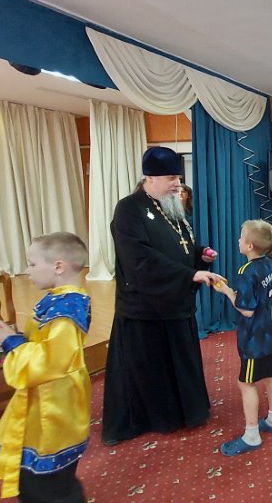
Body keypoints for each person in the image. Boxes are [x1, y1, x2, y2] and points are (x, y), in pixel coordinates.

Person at [102, 147, 224, 445]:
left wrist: (201, 255)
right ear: (150, 178)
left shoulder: (171, 207)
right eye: (171, 178)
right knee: (151, 371)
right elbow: (140, 258)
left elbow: (182, 245)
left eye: (178, 178)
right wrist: (188, 275)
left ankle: (186, 411)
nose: (177, 184)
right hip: (146, 310)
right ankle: (156, 418)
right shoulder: (129, 210)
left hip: (175, 302)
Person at [0, 233, 91, 501]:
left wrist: (10, 342)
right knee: (38, 475)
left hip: (54, 404)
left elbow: (52, 360)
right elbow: (42, 344)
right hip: (47, 397)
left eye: (33, 264)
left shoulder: (67, 309)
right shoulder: (59, 298)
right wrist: (3, 339)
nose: (28, 270)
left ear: (58, 266)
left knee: (48, 483)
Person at [212, 220, 272, 456]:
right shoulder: (271, 265)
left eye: (241, 236)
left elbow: (246, 310)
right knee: (271, 375)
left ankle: (252, 435)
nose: (238, 240)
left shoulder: (247, 271)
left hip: (256, 340)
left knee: (246, 383)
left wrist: (226, 291)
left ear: (250, 245)